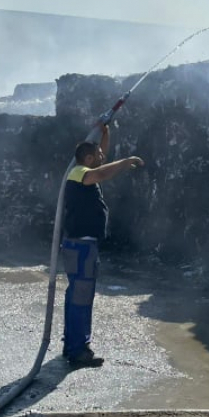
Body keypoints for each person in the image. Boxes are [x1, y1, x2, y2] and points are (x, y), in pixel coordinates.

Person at [61, 123, 143, 367]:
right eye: (98, 155)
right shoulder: (79, 173)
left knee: (76, 295)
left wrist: (106, 133)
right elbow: (102, 173)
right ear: (88, 159)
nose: (102, 157)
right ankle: (78, 350)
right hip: (81, 247)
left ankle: (72, 344)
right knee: (81, 298)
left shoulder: (82, 170)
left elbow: (100, 162)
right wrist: (125, 162)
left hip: (80, 246)